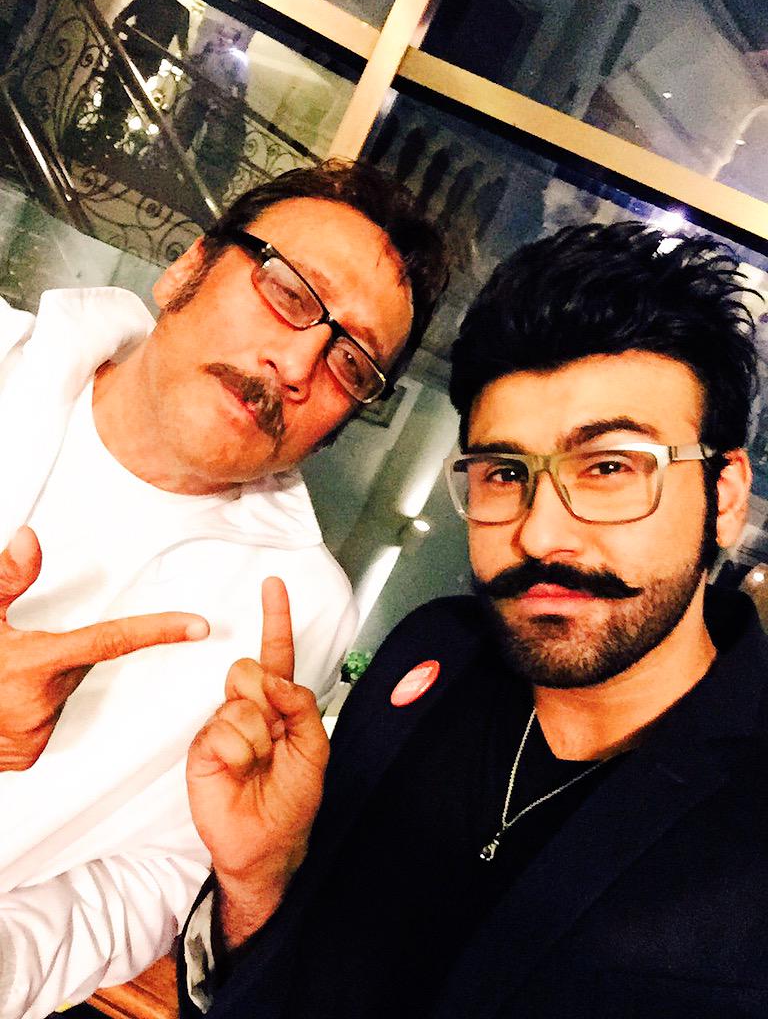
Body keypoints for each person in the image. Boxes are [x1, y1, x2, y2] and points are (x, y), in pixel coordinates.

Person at [179, 221, 768, 1018]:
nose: (540, 534)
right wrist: (258, 880)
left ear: (724, 497)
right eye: (503, 472)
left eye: (608, 467)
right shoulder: (433, 652)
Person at [0, 159, 448, 1019]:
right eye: (290, 291)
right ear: (187, 269)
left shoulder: (300, 609)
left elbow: (157, 875)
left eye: (351, 362)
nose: (299, 362)